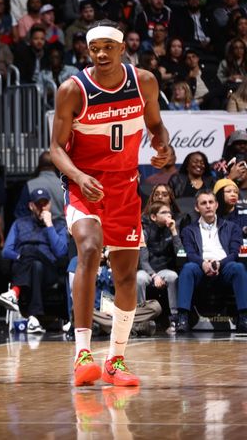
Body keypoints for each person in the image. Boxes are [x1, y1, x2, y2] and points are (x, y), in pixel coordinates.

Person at [50, 20, 171, 388]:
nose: (101, 54)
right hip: (84, 185)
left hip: (124, 188)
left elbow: (156, 127)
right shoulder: (73, 89)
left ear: (121, 49)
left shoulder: (144, 82)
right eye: (94, 48)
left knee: (125, 275)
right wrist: (79, 176)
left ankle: (116, 359)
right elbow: (56, 148)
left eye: (107, 47)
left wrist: (164, 146)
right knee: (88, 249)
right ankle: (82, 353)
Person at [0, 188, 68, 333]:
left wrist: (49, 226)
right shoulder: (20, 224)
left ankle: (14, 292)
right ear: (31, 206)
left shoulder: (59, 225)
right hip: (26, 267)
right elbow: (7, 251)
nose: (42, 207)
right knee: (33, 263)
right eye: (38, 204)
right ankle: (34, 318)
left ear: (50, 205)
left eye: (45, 203)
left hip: (49, 270)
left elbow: (61, 252)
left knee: (30, 251)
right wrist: (20, 257)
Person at [176, 189, 247, 332]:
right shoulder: (188, 230)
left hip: (224, 266)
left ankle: (244, 316)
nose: (208, 206)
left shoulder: (232, 227)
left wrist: (220, 263)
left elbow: (234, 253)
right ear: (197, 207)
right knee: (188, 268)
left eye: (211, 202)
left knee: (238, 268)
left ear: (216, 205)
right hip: (200, 267)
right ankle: (182, 317)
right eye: (203, 203)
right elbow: (190, 253)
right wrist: (203, 263)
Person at [136, 202, 181, 333]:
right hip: (147, 270)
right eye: (164, 212)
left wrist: (174, 232)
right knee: (139, 278)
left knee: (173, 276)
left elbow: (180, 254)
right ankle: (141, 320)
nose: (168, 215)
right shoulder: (145, 232)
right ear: (154, 217)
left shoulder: (173, 230)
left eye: (169, 212)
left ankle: (174, 318)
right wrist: (154, 276)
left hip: (164, 270)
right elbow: (143, 260)